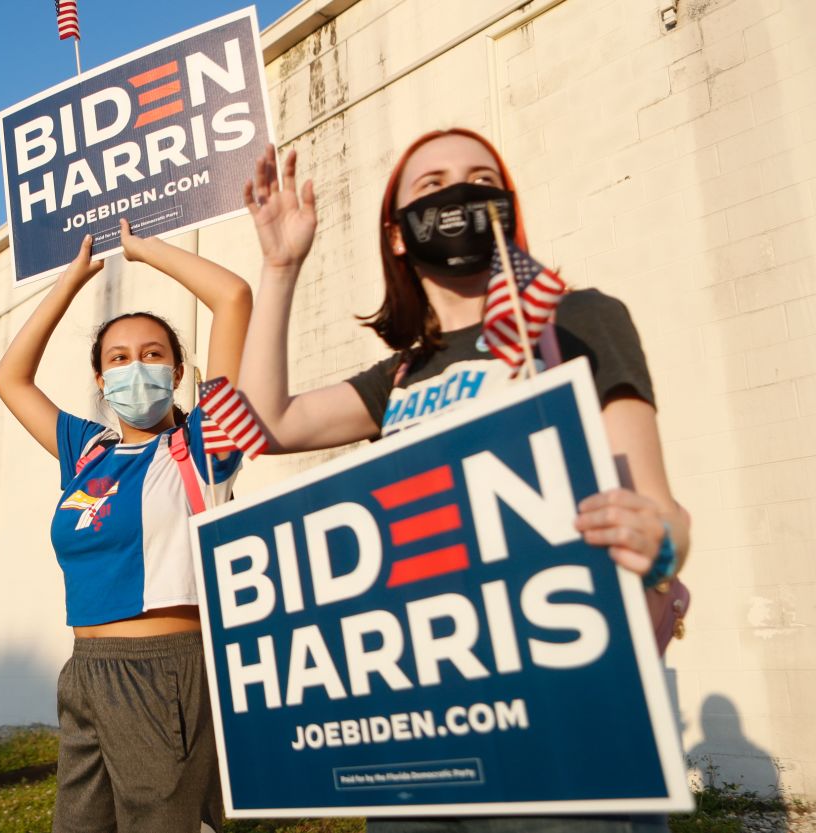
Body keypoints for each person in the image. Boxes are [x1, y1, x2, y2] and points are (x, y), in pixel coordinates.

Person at [235, 133, 691, 832]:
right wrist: (279, 266)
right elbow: (268, 422)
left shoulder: (577, 320)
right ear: (397, 235)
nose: (459, 194)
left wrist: (657, 542)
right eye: (431, 185)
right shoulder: (396, 377)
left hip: (562, 724)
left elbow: (662, 512)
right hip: (424, 732)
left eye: (481, 178)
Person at [0, 222, 251, 833]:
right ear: (102, 381)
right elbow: (10, 378)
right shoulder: (87, 451)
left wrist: (143, 249)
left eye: (153, 355)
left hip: (165, 668)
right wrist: (71, 281)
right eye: (119, 358)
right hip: (85, 671)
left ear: (180, 372)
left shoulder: (204, 443)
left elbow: (234, 297)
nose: (136, 369)